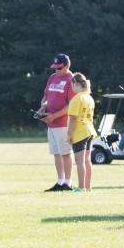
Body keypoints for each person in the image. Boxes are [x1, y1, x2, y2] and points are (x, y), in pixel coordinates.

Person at [39, 53, 76, 192]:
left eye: (59, 68)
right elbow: (46, 96)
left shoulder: (71, 80)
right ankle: (60, 181)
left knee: (65, 152)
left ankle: (68, 182)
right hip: (51, 123)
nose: (57, 70)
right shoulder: (52, 77)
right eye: (55, 68)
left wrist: (54, 116)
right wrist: (43, 106)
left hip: (63, 123)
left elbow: (71, 105)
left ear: (67, 66)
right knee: (56, 153)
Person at [67, 73, 96, 192]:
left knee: (79, 161)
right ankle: (88, 187)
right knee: (87, 161)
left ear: (76, 84)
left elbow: (73, 119)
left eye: (72, 85)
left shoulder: (77, 98)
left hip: (80, 132)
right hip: (89, 130)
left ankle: (80, 187)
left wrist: (69, 134)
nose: (71, 88)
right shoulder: (89, 97)